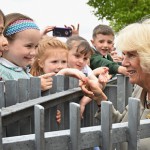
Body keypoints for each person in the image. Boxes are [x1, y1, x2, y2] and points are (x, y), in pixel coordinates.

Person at [80, 22, 150, 150]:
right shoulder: (140, 89)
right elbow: (123, 127)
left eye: (131, 55)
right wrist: (100, 97)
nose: (124, 62)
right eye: (124, 55)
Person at [1, 12, 61, 123]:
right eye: (28, 46)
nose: (33, 52)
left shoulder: (25, 72)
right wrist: (34, 87)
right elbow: (5, 99)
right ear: (6, 42)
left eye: (36, 46)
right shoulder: (2, 71)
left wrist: (48, 112)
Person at [66, 35, 111, 118]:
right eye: (77, 56)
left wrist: (83, 102)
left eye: (85, 58)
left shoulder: (85, 68)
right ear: (66, 53)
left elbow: (97, 87)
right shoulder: (60, 66)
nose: (81, 61)